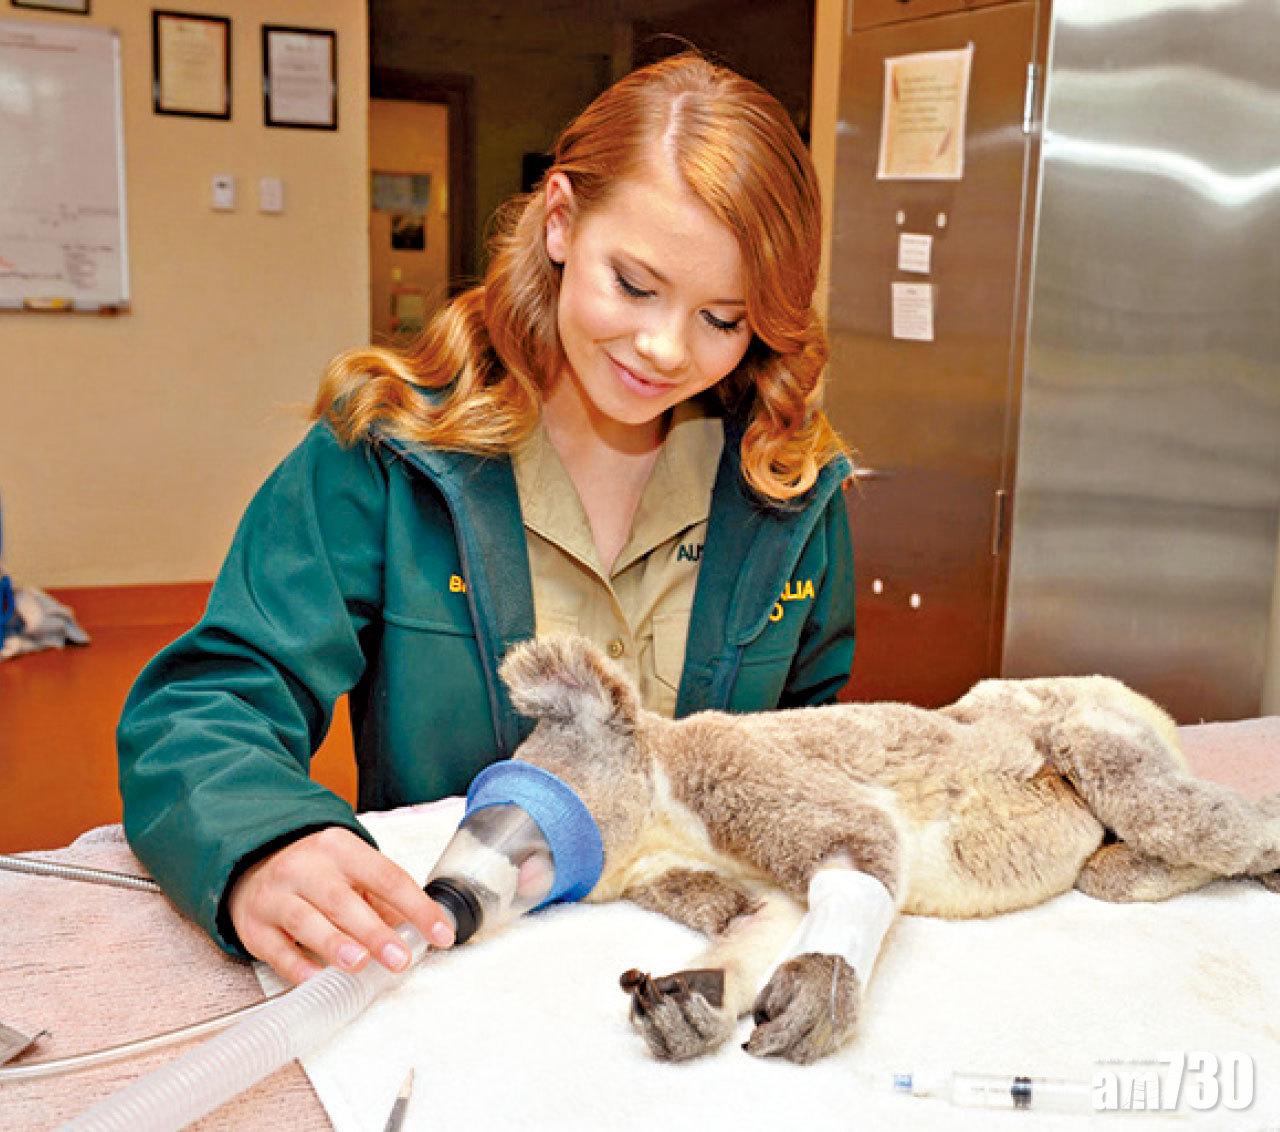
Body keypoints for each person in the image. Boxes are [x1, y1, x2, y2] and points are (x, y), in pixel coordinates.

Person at [117, 53, 855, 987]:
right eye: (633, 285)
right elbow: (209, 701)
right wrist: (267, 841)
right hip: (453, 969)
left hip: (706, 969)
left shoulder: (786, 485)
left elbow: (818, 741)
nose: (667, 349)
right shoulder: (392, 453)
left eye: (724, 318)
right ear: (558, 221)